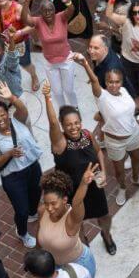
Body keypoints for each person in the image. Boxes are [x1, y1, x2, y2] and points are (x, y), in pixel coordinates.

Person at [75, 56, 139, 206]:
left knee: (137, 159)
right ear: (106, 82)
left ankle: (136, 179)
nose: (114, 85)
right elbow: (94, 81)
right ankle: (122, 188)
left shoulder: (123, 91)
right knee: (119, 171)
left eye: (117, 82)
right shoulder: (102, 97)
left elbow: (130, 109)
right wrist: (85, 64)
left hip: (134, 132)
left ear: (121, 82)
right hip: (115, 141)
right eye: (110, 82)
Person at [49, 103, 117, 255]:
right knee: (77, 221)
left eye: (76, 123)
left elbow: (99, 153)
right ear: (63, 126)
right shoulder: (61, 144)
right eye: (68, 125)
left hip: (93, 186)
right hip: (73, 191)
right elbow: (52, 123)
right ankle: (83, 243)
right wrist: (47, 98)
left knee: (105, 216)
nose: (73, 127)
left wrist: (104, 172)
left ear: (80, 122)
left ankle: (106, 234)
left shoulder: (87, 134)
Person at [0, 81, 44, 248]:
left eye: (2, 114)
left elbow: (22, 108)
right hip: (13, 177)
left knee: (36, 194)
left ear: (7, 113)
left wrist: (11, 97)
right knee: (21, 210)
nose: (0, 119)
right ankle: (22, 232)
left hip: (32, 167)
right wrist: (9, 153)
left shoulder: (18, 120)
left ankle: (33, 214)